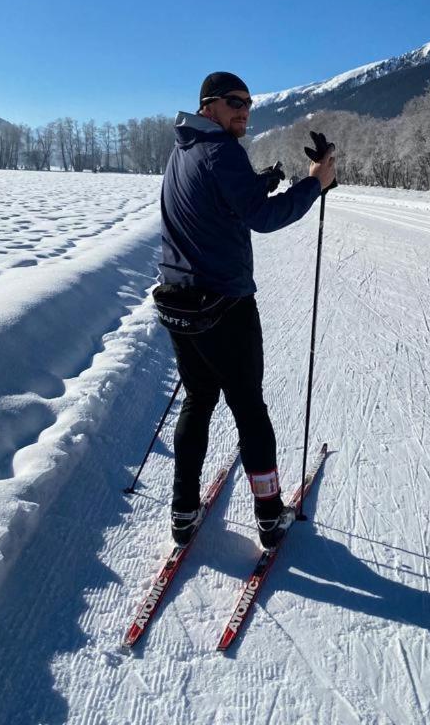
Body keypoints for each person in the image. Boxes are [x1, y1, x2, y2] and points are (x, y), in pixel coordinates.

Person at [155, 71, 336, 549]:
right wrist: (316, 183)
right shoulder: (222, 150)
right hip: (224, 305)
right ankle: (270, 516)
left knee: (198, 401)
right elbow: (264, 218)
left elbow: (223, 200)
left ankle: (183, 510)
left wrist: (264, 181)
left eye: (249, 104)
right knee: (250, 410)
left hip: (178, 303)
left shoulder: (185, 148)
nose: (244, 111)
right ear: (208, 106)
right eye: (235, 102)